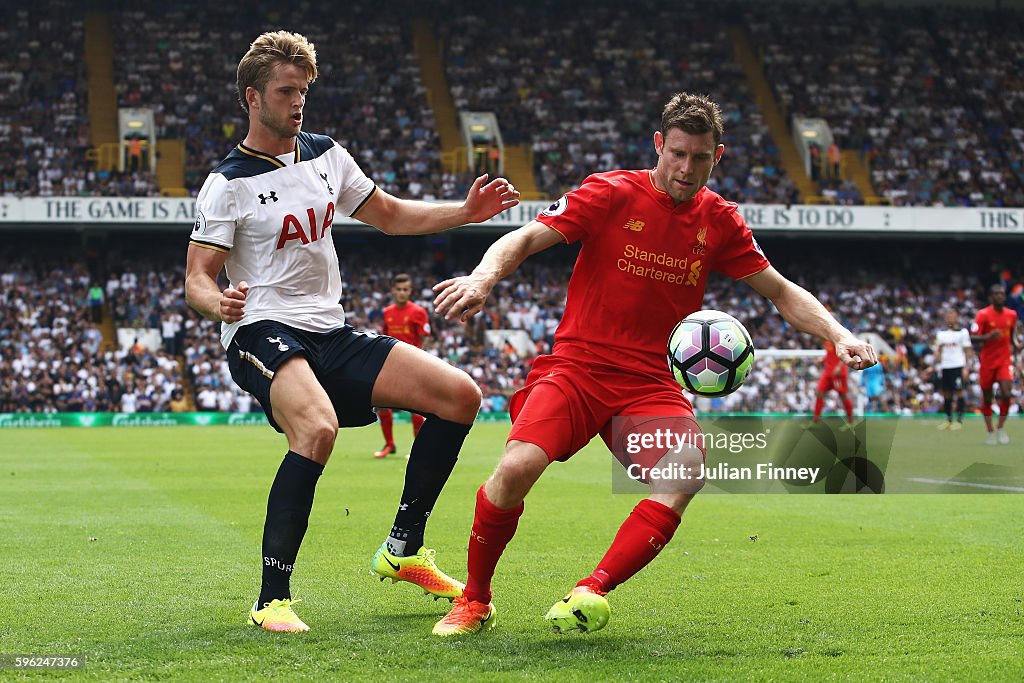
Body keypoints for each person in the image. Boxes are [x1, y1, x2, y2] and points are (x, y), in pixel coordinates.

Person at [429, 92, 877, 636]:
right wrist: (483, 278)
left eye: (702, 158)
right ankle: (475, 601)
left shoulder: (721, 220)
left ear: (719, 156)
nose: (688, 169)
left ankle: (590, 590)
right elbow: (524, 238)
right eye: (679, 154)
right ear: (659, 145)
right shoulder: (611, 192)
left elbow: (779, 291)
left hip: (649, 385)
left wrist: (837, 332)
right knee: (516, 469)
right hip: (577, 369)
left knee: (685, 471)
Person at [184, 31, 519, 634]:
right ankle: (272, 600)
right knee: (316, 428)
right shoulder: (226, 184)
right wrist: (219, 304)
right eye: (286, 91)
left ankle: (402, 549)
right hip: (260, 330)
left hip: (330, 332)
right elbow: (197, 279)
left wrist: (465, 214)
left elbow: (389, 215)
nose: (298, 102)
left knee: (460, 396)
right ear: (251, 98)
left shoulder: (326, 155)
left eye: (303, 90)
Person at [373, 273, 429, 459]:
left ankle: (418, 448)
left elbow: (424, 339)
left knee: (415, 408)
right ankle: (390, 444)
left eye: (405, 289)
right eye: (399, 289)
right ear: (393, 291)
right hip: (391, 364)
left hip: (413, 365)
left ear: (410, 291)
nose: (402, 293)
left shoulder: (418, 312)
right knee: (381, 404)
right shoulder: (387, 312)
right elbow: (386, 338)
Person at [970, 284, 1022, 445]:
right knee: (987, 397)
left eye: (1002, 293)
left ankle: (1000, 427)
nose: (1000, 296)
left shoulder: (1012, 315)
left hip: (1005, 360)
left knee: (1007, 393)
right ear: (991, 297)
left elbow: (1012, 336)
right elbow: (972, 338)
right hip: (987, 361)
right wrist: (987, 337)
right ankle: (990, 431)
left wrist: (1017, 345)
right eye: (996, 294)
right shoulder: (983, 315)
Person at [933, 309, 972, 430]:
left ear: (956, 318)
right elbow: (938, 350)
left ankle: (959, 420)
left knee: (959, 391)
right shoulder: (941, 334)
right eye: (948, 316)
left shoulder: (963, 332)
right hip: (946, 366)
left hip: (958, 365)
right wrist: (937, 357)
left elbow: (968, 350)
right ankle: (948, 419)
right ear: (945, 318)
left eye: (953, 316)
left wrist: (966, 367)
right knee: (946, 393)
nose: (950, 318)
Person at [811, 337, 855, 426]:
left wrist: (839, 366)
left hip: (838, 373)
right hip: (828, 372)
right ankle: (815, 420)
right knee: (819, 393)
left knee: (843, 395)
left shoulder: (838, 339)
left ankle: (851, 421)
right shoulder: (827, 340)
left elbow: (846, 354)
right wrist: (821, 359)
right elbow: (830, 354)